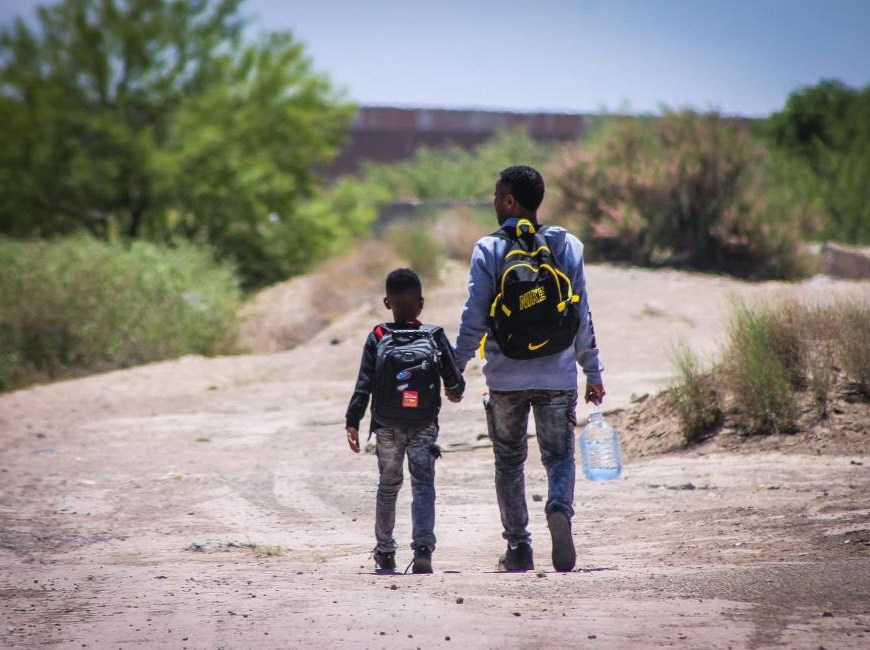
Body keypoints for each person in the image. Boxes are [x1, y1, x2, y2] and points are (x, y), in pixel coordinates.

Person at [453, 165, 605, 573]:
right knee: (558, 457)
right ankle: (558, 507)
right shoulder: (567, 245)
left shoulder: (489, 248)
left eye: (496, 195)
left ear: (509, 201)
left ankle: (519, 547)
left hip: (504, 378)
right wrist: (593, 371)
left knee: (508, 460)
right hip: (557, 376)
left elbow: (475, 317)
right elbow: (582, 315)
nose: (493, 202)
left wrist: (454, 367)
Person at [346, 268, 465, 574]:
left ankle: (385, 551)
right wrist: (453, 391)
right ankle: (423, 547)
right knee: (423, 485)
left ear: (387, 303)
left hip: (386, 424)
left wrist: (353, 420)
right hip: (424, 423)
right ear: (421, 303)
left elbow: (364, 383)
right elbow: (456, 383)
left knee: (388, 486)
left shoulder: (378, 335)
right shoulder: (434, 335)